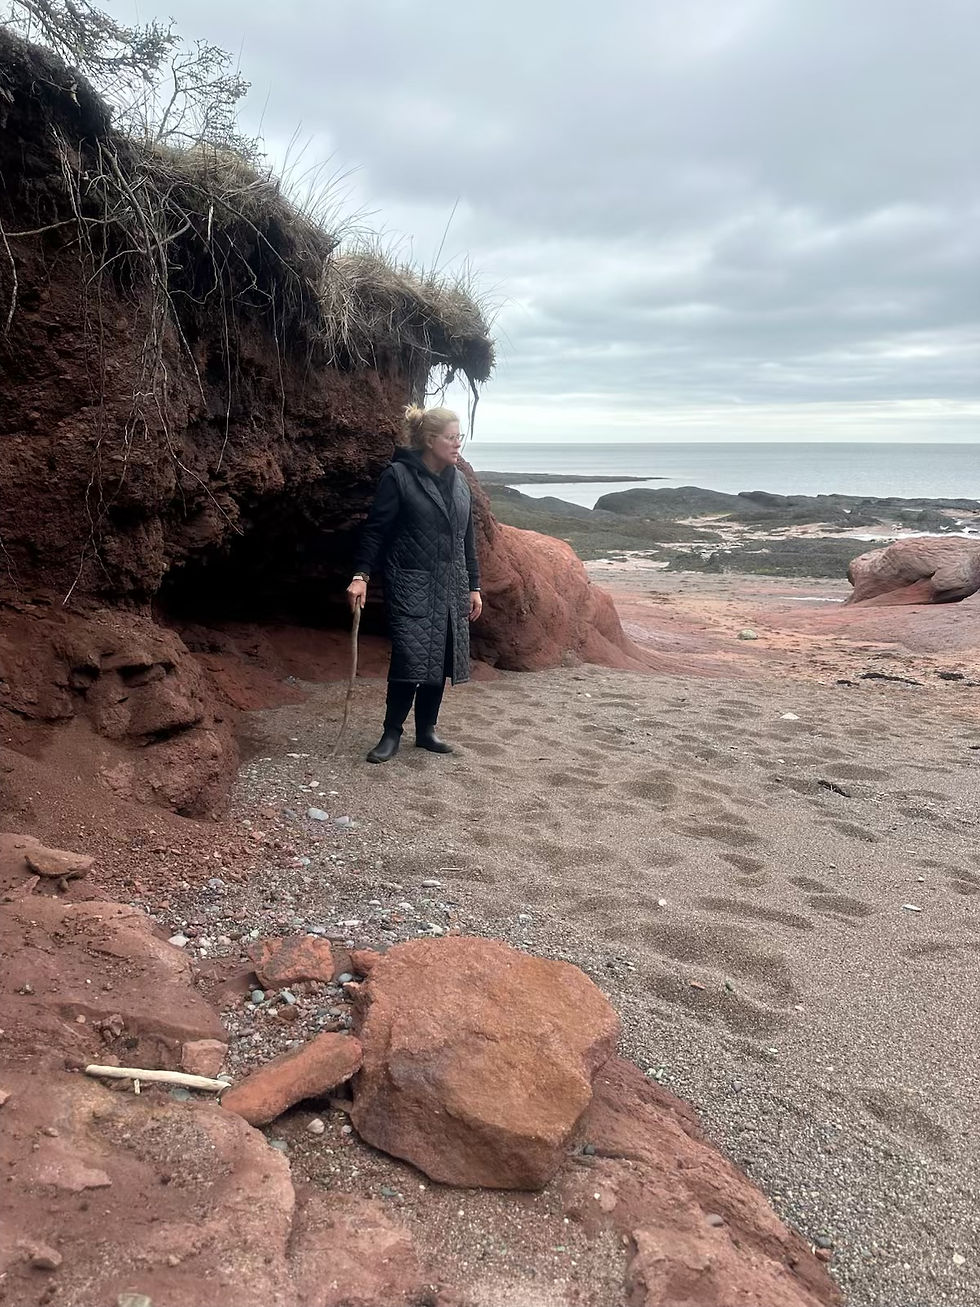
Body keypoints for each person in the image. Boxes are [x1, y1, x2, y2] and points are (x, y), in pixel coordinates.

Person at [346, 405, 483, 764]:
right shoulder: (398, 476)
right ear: (429, 440)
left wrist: (475, 586)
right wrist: (361, 575)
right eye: (451, 438)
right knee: (411, 656)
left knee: (441, 658)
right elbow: (376, 530)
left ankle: (426, 731)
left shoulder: (461, 483)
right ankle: (392, 733)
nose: (457, 445)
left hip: (453, 586)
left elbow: (466, 540)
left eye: (460, 437)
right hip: (412, 584)